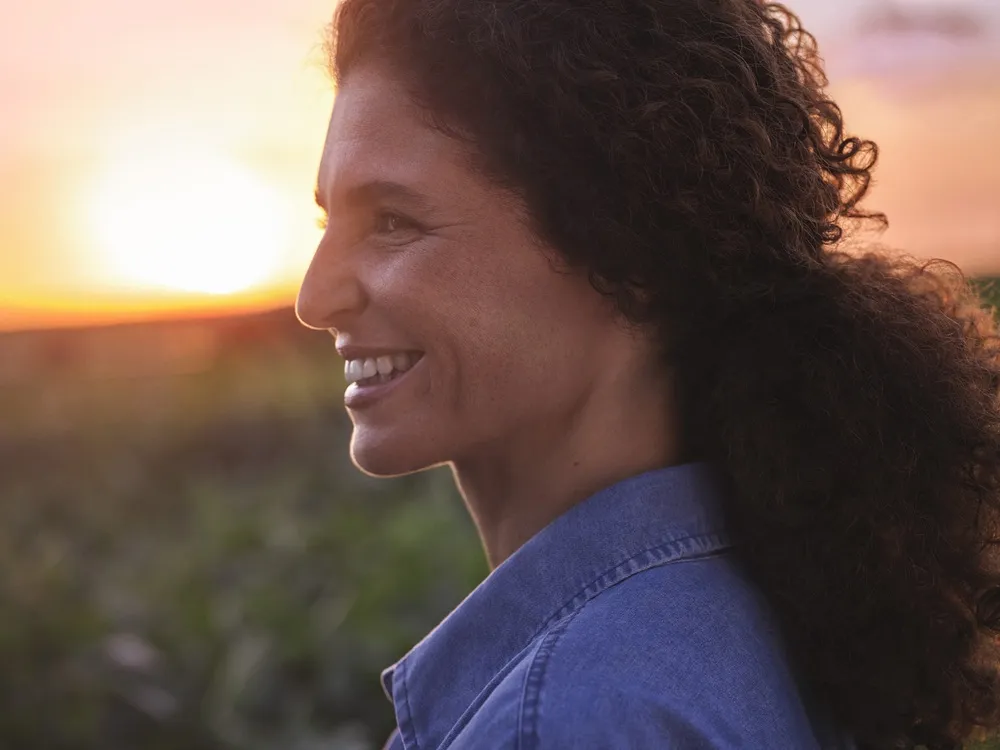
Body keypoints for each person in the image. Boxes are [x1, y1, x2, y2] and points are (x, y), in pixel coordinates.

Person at [294, 0, 1000, 747]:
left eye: (393, 222)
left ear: (625, 247)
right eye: (325, 224)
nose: (314, 299)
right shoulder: (761, 612)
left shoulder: (567, 718)